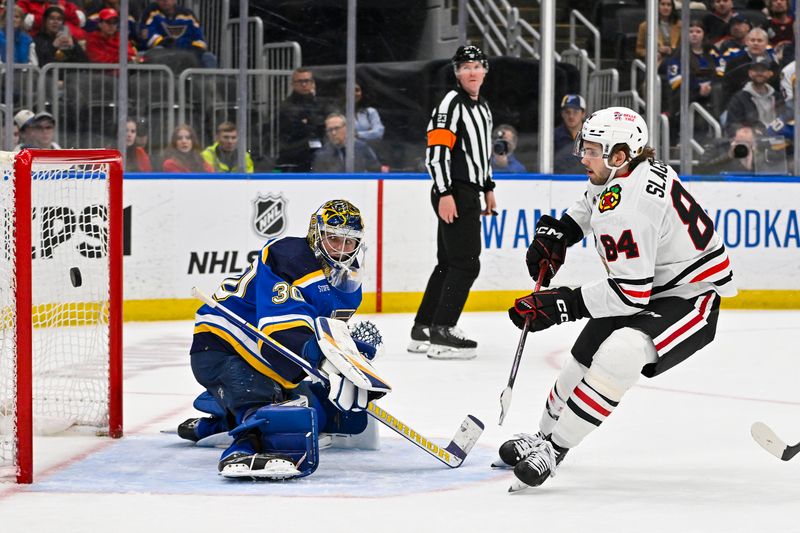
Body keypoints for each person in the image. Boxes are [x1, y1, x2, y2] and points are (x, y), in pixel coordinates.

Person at [496, 106, 736, 491]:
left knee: (621, 352)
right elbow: (593, 200)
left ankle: (555, 450)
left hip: (691, 296)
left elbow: (628, 293)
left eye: (592, 150)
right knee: (584, 352)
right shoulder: (622, 171)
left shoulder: (633, 206)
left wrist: (561, 304)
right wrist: (562, 232)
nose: (583, 157)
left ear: (620, 155)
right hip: (652, 284)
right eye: (585, 147)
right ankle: (542, 436)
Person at [179, 199, 387, 479]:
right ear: (316, 234)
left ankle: (210, 425)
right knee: (263, 405)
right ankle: (243, 447)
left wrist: (351, 356)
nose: (341, 249)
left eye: (349, 243)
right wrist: (327, 359)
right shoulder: (288, 256)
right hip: (223, 342)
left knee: (314, 411)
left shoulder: (347, 280)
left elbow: (323, 331)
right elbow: (279, 330)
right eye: (334, 239)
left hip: (268, 352)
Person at [408, 45, 497, 360]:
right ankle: (443, 331)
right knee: (466, 263)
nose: (472, 72)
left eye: (476, 66)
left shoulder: (483, 107)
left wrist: (488, 188)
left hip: (468, 190)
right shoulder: (451, 103)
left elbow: (481, 154)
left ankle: (424, 327)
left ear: (485, 70)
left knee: (448, 263)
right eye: (465, 67)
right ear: (457, 73)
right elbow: (437, 153)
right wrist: (445, 193)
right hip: (454, 191)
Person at [276, 68, 329, 172]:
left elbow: (324, 124)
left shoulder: (321, 103)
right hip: (294, 154)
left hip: (320, 152)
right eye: (300, 81)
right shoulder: (286, 106)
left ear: (313, 83)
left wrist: (309, 121)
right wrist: (313, 123)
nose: (304, 84)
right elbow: (297, 129)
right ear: (293, 84)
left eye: (307, 81)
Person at [139, 0, 217, 68]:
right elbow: (149, 35)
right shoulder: (151, 12)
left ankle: (208, 84)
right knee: (157, 51)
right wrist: (164, 42)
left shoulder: (188, 15)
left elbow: (199, 38)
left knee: (209, 58)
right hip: (163, 51)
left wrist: (195, 49)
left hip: (187, 52)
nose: (165, 0)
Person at [665, 20, 718, 117]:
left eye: (698, 31)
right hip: (688, 94)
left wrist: (710, 87)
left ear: (704, 34)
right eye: (691, 31)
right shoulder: (678, 54)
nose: (694, 34)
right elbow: (675, 80)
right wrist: (698, 89)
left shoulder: (712, 51)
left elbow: (721, 72)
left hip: (711, 91)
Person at [311, 113, 381, 173]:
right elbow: (319, 181)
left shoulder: (362, 148)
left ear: (346, 128)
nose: (333, 133)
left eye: (337, 128)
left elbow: (376, 171)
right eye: (330, 130)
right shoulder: (321, 155)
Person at [724, 61, 781, 134]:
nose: (759, 73)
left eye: (763, 70)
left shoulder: (778, 97)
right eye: (756, 70)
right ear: (750, 73)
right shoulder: (739, 99)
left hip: (779, 137)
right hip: (752, 140)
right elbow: (731, 126)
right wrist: (752, 132)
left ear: (770, 73)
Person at [636, 0, 680, 67]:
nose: (666, 7)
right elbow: (639, 49)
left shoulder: (680, 25)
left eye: (669, 5)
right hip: (656, 59)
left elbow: (684, 46)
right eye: (663, 4)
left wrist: (672, 50)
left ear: (672, 8)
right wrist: (653, 52)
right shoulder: (645, 26)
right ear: (657, 6)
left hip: (675, 58)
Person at [553, 94, 587, 174]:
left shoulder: (592, 134)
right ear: (562, 114)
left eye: (575, 112)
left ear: (583, 114)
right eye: (567, 112)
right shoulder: (553, 136)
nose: (571, 116)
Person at [19, 0, 86, 40]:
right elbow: (26, 22)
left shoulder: (61, 2)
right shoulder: (24, 2)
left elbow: (80, 19)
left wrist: (62, 11)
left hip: (73, 38)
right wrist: (52, 14)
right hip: (42, 39)